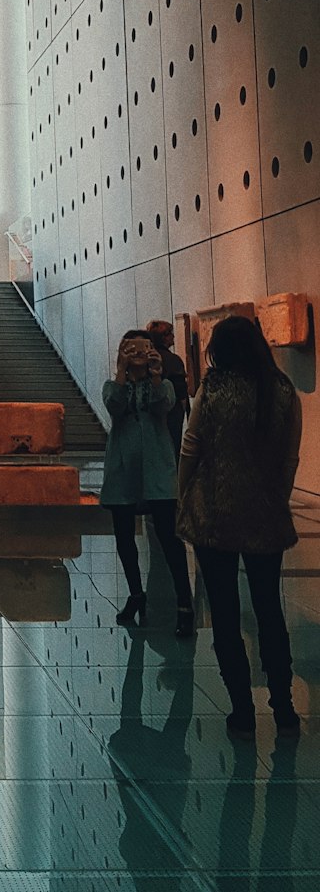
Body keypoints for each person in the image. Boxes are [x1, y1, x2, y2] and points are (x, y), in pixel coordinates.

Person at [177, 315, 302, 740]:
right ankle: (284, 709)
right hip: (264, 515)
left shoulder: (213, 389)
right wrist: (275, 500)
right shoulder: (283, 390)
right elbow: (289, 459)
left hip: (215, 513)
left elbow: (190, 449)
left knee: (226, 614)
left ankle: (242, 711)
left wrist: (183, 495)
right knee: (269, 609)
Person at [101, 330, 194, 636]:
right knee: (124, 538)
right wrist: (121, 370)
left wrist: (155, 374)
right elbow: (113, 406)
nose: (139, 353)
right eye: (132, 348)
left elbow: (163, 406)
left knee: (169, 537)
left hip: (157, 468)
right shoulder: (113, 386)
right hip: (123, 469)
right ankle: (136, 594)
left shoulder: (162, 384)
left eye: (145, 348)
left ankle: (184, 602)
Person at [146, 318, 190, 458]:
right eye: (170, 333)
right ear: (164, 337)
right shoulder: (173, 360)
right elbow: (181, 391)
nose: (174, 336)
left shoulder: (144, 359)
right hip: (172, 412)